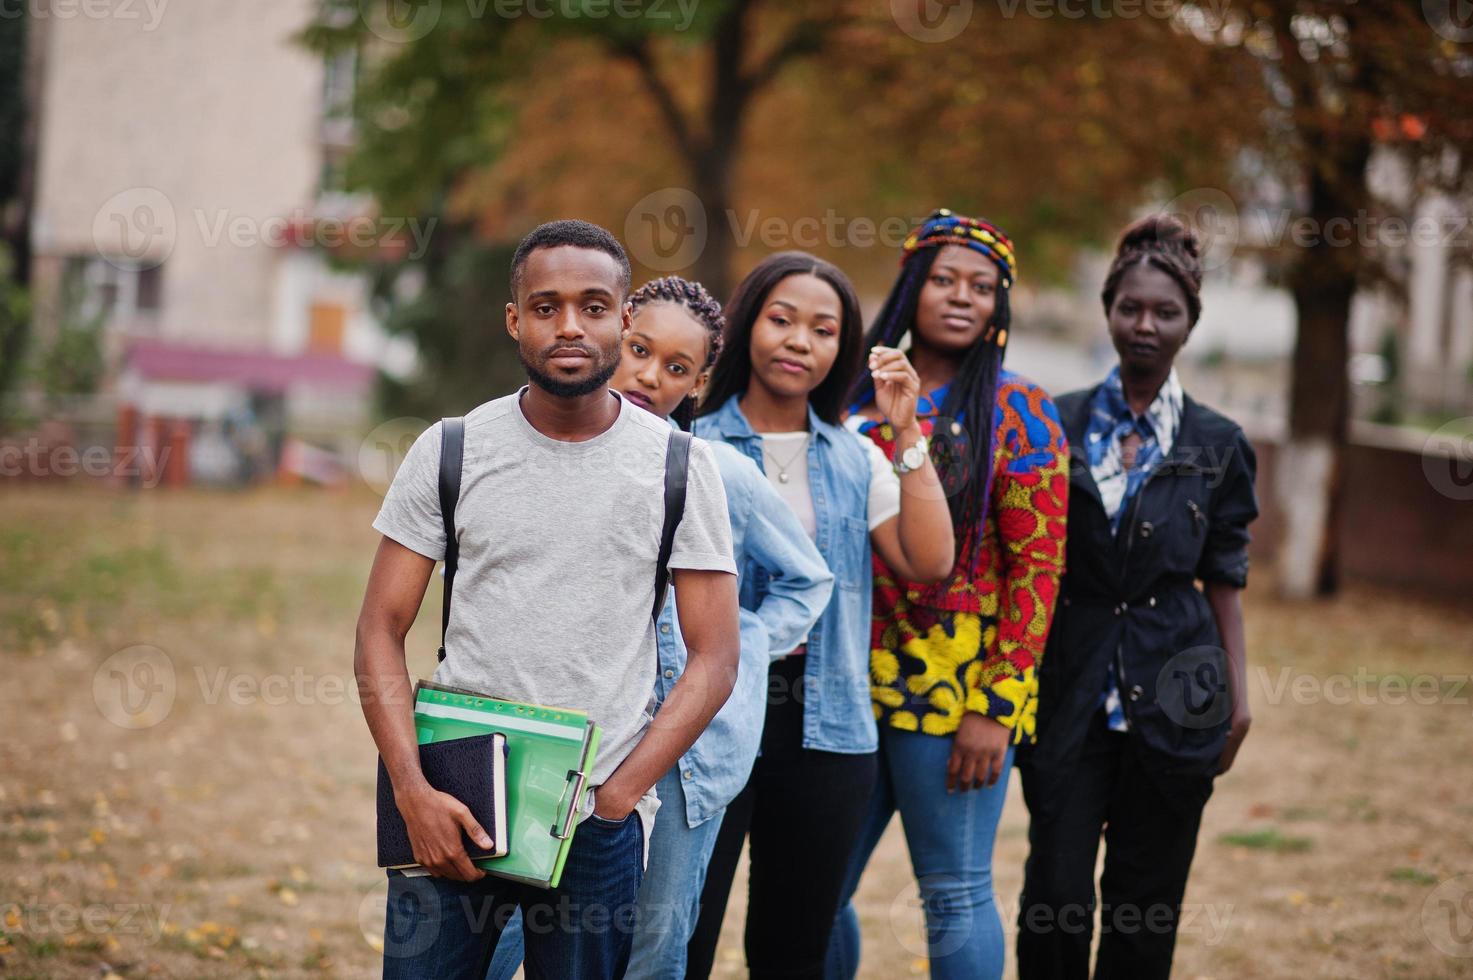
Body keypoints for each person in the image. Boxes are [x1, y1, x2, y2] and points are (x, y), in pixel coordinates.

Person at [355, 220, 741, 980]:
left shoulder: (680, 469)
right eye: (546, 306)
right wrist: (411, 788)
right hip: (451, 793)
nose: (569, 325)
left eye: (594, 306)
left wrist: (618, 798)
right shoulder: (451, 449)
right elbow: (379, 627)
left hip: (596, 814)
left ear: (624, 320)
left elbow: (714, 658)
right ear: (514, 319)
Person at [482, 275, 834, 980]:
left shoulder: (713, 470)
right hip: (572, 727)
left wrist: (749, 639)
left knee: (653, 947)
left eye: (676, 368)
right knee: (507, 931)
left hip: (684, 754)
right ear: (614, 334)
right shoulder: (559, 453)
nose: (649, 375)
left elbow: (808, 576)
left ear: (699, 382)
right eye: (639, 349)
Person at [686, 251, 956, 979]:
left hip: (827, 727)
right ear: (747, 328)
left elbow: (928, 561)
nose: (799, 341)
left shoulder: (854, 455)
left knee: (793, 948)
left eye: (823, 329)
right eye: (781, 320)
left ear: (842, 348)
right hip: (702, 719)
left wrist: (905, 435)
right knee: (683, 936)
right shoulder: (690, 447)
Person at [827, 210, 1069, 980]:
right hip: (842, 686)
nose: (962, 297)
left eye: (982, 287)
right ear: (911, 287)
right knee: (816, 892)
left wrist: (996, 706)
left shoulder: (1019, 410)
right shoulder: (844, 399)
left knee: (954, 892)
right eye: (943, 280)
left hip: (955, 691)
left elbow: (1037, 573)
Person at [1015, 214, 1258, 980]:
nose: (1144, 325)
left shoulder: (1218, 444)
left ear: (1190, 322)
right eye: (1130, 308)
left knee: (1144, 902)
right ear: (1107, 309)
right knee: (1054, 891)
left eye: (1164, 312)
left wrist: (1238, 695)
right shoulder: (1056, 421)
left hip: (1179, 688)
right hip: (1070, 685)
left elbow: (1223, 576)